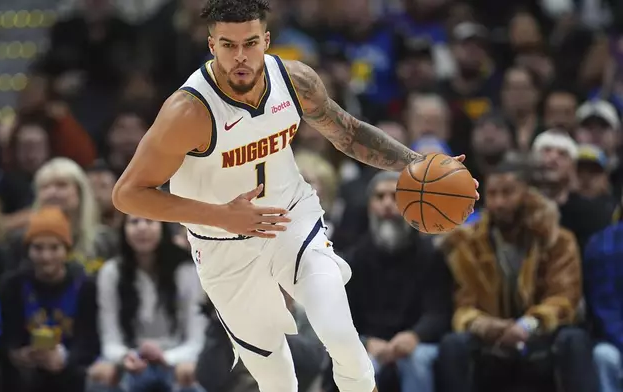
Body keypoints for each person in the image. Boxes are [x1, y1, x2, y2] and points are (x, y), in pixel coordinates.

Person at [112, 1, 479, 391]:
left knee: (341, 337)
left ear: (267, 40)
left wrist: (418, 163)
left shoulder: (295, 80)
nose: (240, 56)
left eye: (250, 43)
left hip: (292, 216)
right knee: (277, 381)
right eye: (228, 45)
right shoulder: (187, 112)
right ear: (211, 45)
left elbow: (349, 133)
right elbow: (128, 195)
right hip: (223, 242)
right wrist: (222, 215)